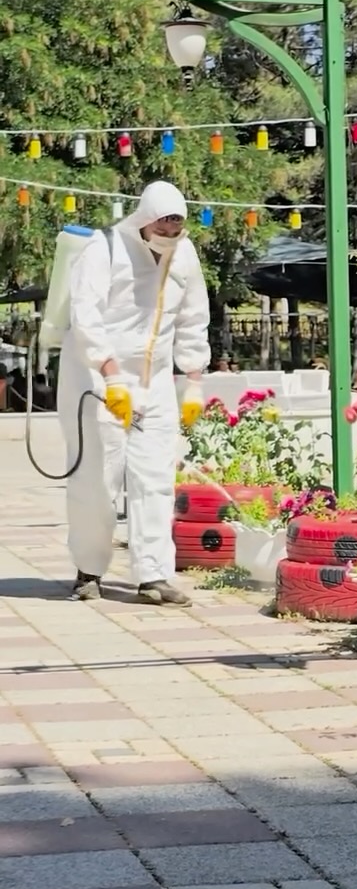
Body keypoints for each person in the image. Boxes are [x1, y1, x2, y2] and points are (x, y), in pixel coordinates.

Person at [57, 181, 210, 605]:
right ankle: (89, 570)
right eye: (162, 228)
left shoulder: (185, 254)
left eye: (175, 229)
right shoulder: (104, 250)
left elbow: (194, 318)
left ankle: (154, 576)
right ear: (143, 222)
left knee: (156, 479)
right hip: (94, 377)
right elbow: (84, 315)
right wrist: (109, 373)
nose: (168, 237)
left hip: (155, 380)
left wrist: (193, 378)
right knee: (96, 479)